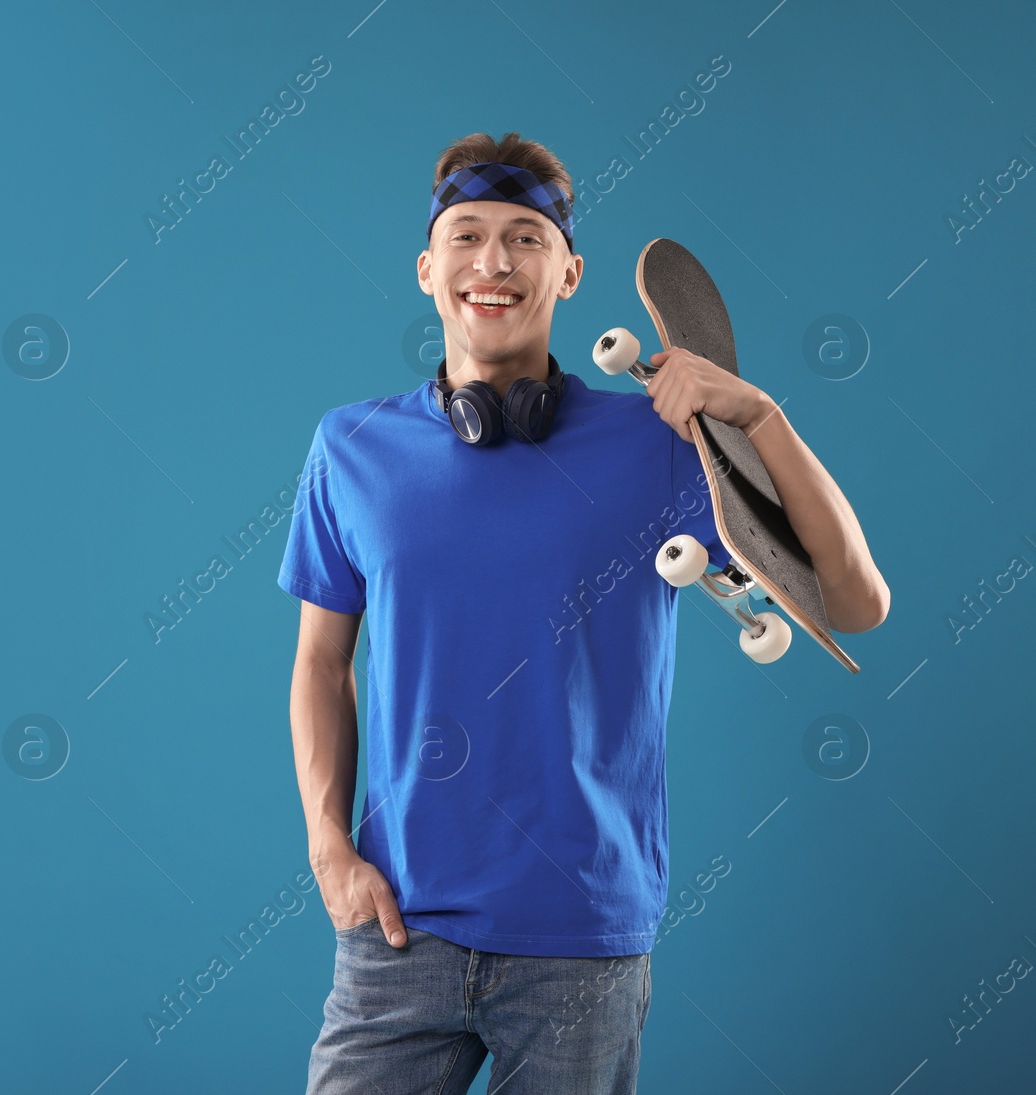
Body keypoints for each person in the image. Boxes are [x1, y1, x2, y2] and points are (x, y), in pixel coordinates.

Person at [278, 131, 888, 1094]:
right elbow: (320, 663)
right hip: (399, 927)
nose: (493, 262)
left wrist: (759, 417)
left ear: (568, 272)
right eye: (468, 235)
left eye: (525, 238)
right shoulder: (349, 447)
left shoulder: (656, 445)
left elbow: (857, 600)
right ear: (428, 268)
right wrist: (328, 846)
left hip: (582, 942)